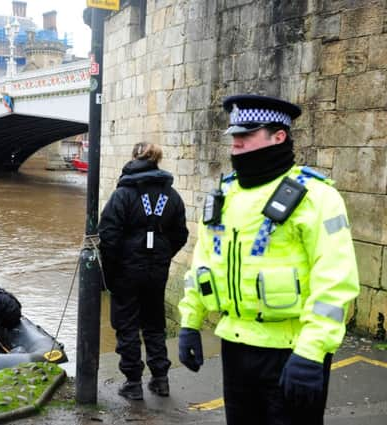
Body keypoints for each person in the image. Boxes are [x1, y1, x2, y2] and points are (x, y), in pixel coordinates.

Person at [178, 94, 360, 424]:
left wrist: (311, 351)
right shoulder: (225, 194)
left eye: (246, 134)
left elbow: (336, 281)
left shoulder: (318, 198)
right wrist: (190, 322)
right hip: (236, 346)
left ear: (279, 136)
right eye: (233, 135)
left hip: (293, 351)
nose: (236, 143)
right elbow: (203, 263)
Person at [99, 143, 189, 400]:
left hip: (127, 270)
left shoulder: (123, 195)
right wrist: (162, 256)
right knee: (154, 323)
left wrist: (111, 271)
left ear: (133, 160)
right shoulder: (171, 196)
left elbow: (108, 235)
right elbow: (180, 234)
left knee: (126, 325)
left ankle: (133, 382)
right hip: (156, 271)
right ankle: (160, 380)